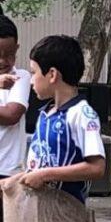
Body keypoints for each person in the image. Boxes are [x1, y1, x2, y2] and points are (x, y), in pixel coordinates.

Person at [11, 35, 105, 201]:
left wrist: (45, 175)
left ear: (52, 74)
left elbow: (97, 167)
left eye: (34, 72)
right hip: (40, 210)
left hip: (66, 215)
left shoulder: (81, 114)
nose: (32, 81)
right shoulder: (45, 115)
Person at [0, 16, 31, 222]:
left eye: (9, 54)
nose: (3, 61)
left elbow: (11, 115)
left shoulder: (20, 76)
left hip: (8, 169)